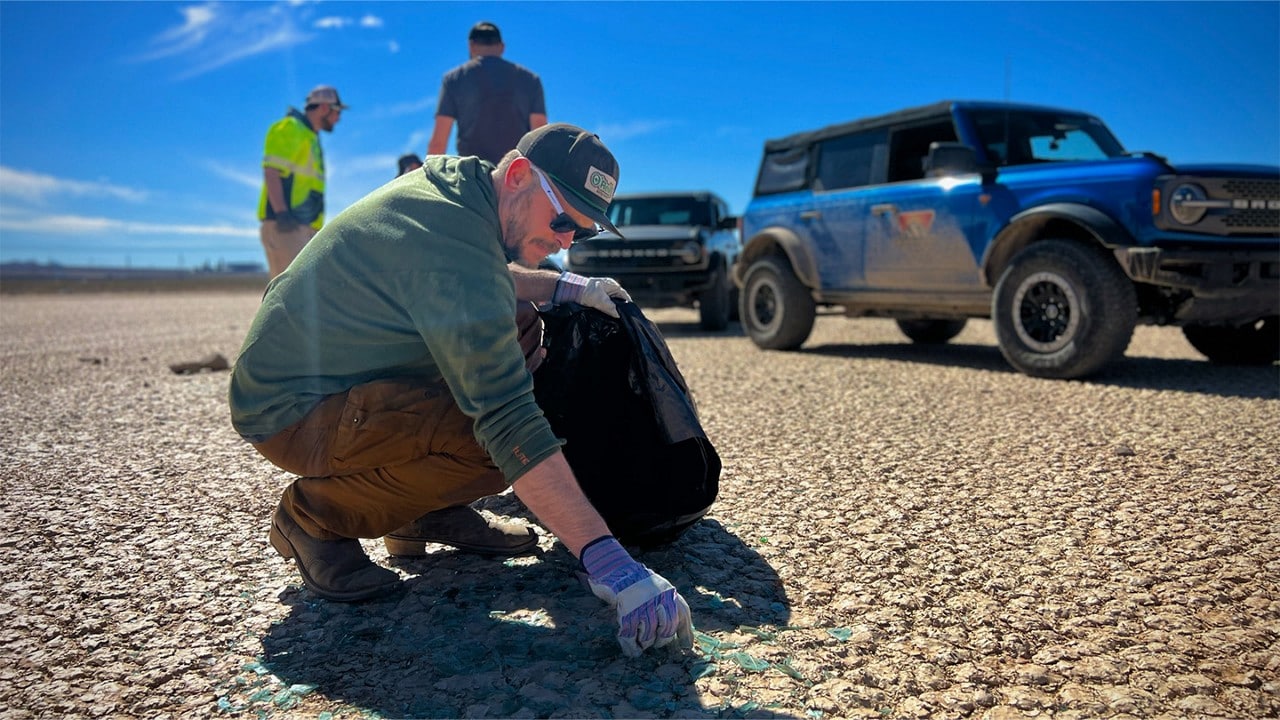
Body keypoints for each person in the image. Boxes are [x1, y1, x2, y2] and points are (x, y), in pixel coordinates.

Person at [229, 123, 694, 657]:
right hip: (295, 411)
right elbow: (507, 419)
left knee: (518, 327)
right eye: (563, 219)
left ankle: (420, 509)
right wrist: (608, 560)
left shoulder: (462, 194)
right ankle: (313, 517)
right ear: (519, 175)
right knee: (503, 446)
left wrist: (570, 287)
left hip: (338, 379)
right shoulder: (447, 234)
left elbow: (484, 275)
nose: (567, 240)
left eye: (581, 233)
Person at [257, 85, 347, 279]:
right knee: (290, 296)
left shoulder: (310, 137)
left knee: (302, 297)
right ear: (324, 107)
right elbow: (272, 172)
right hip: (287, 227)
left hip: (303, 228)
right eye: (337, 111)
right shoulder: (291, 128)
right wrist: (282, 214)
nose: (338, 118)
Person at [426, 21, 547, 164]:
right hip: (515, 174)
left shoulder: (454, 79)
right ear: (502, 47)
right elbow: (540, 137)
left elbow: (438, 144)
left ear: (471, 46)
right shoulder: (530, 80)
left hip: (472, 175)